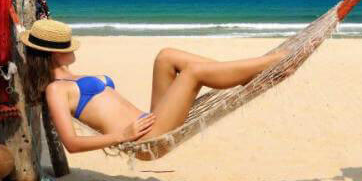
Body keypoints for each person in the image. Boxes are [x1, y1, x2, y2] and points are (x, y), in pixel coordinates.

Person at [20, 19, 288, 154]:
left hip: (151, 120)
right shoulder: (55, 89)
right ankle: (271, 61)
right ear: (53, 53)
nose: (72, 47)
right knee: (192, 73)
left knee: (166, 56)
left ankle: (246, 76)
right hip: (147, 140)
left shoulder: (71, 77)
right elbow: (72, 144)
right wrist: (123, 135)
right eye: (66, 46)